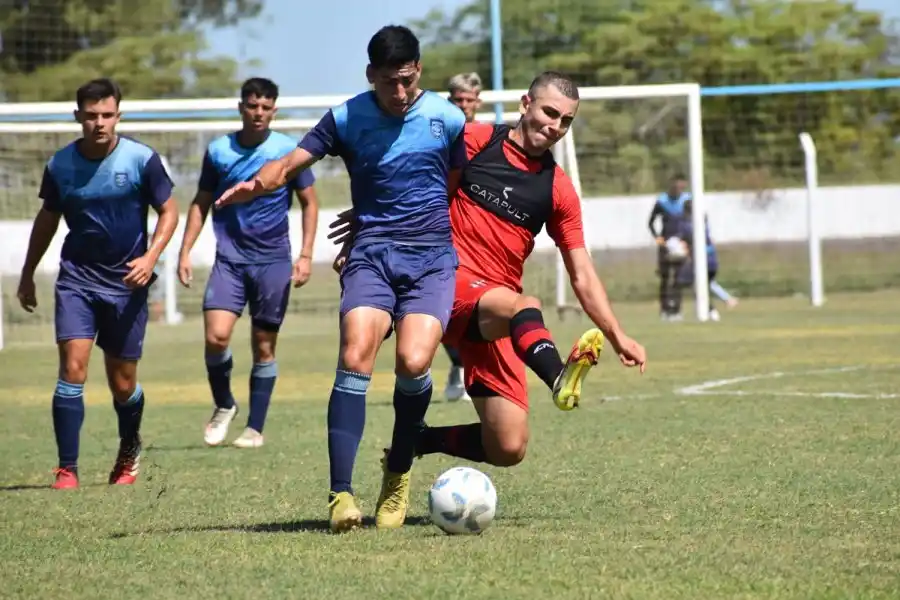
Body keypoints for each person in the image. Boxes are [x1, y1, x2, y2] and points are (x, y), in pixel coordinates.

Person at [330, 71, 646, 480]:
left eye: (566, 121)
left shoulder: (558, 190)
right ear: (525, 104)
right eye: (550, 112)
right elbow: (415, 179)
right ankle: (558, 378)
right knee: (526, 306)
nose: (555, 127)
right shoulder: (477, 141)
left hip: (495, 312)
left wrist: (618, 335)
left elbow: (581, 272)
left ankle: (419, 441)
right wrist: (370, 220)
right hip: (442, 280)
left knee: (508, 446)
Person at [213, 26, 466, 532]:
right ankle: (341, 494)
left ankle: (397, 472)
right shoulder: (347, 117)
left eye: (407, 80)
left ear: (418, 70)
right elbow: (288, 162)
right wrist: (253, 186)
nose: (398, 93)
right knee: (355, 354)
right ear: (370, 75)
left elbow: (453, 182)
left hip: (431, 259)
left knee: (414, 362)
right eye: (388, 82)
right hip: (372, 256)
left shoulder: (447, 117)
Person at [16, 78, 179, 490]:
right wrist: (27, 273)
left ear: (118, 116)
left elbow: (170, 211)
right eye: (91, 116)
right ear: (78, 117)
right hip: (77, 279)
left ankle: (129, 449)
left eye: (107, 115)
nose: (100, 123)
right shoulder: (60, 166)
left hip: (127, 284)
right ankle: (66, 468)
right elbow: (48, 220)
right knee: (72, 368)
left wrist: (150, 256)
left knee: (122, 383)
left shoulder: (142, 160)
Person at [177, 77, 319, 450]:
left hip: (272, 261)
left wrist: (305, 255)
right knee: (215, 336)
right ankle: (224, 403)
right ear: (241, 107)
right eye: (252, 105)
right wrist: (185, 250)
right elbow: (200, 202)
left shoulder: (288, 151)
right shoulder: (219, 150)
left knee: (263, 345)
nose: (258, 113)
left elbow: (310, 203)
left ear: (274, 110)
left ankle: (255, 428)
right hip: (230, 260)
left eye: (265, 107)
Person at [441, 71, 484, 403]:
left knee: (473, 305)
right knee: (439, 306)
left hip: (475, 233)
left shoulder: (487, 137)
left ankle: (471, 370)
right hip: (439, 229)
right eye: (459, 100)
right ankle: (458, 365)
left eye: (469, 100)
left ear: (478, 102)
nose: (464, 105)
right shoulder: (438, 135)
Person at [675, 199, 738, 322]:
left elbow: (686, 238)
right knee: (706, 283)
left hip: (704, 259)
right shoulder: (702, 221)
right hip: (711, 257)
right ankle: (725, 301)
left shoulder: (688, 225)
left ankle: (711, 310)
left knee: (695, 284)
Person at [648, 173, 691, 321]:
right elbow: (651, 222)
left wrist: (687, 241)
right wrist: (658, 239)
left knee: (679, 278)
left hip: (681, 243)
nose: (678, 188)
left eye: (681, 185)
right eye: (676, 185)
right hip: (666, 245)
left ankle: (677, 310)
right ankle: (665, 310)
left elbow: (692, 221)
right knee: (665, 278)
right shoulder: (662, 201)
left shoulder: (687, 200)